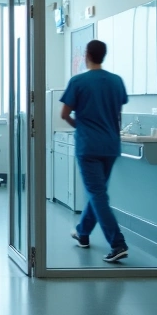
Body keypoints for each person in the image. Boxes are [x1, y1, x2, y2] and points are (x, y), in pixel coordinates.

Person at [61, 39, 130, 263]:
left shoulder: (79, 81)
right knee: (97, 192)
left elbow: (64, 114)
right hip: (110, 145)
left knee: (98, 194)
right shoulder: (116, 81)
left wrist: (80, 127)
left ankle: (117, 243)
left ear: (86, 55)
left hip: (88, 145)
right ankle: (83, 232)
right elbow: (117, 114)